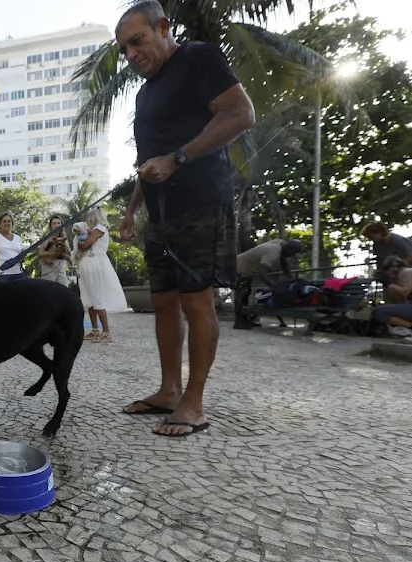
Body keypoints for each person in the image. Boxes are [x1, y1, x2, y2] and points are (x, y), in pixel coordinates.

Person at [115, 0, 255, 435]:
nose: (131, 54)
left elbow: (241, 114)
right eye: (123, 49)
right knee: (163, 303)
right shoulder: (146, 92)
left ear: (163, 27)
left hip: (200, 201)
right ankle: (169, 391)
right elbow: (147, 160)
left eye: (137, 41)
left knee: (198, 300)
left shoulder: (198, 57)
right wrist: (133, 209)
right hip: (160, 212)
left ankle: (194, 403)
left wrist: (178, 158)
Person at [76, 207, 128, 342]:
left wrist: (82, 242)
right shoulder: (92, 230)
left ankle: (106, 332)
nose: (88, 220)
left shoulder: (99, 228)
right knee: (90, 299)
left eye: (89, 217)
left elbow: (85, 244)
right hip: (87, 263)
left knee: (97, 297)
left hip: (95, 263)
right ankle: (94, 330)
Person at [233, 238, 302, 329]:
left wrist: (292, 280)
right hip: (239, 269)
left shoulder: (280, 244)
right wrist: (273, 286)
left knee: (246, 294)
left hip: (242, 266)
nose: (291, 256)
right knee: (242, 295)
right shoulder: (273, 253)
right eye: (292, 253)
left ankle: (245, 319)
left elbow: (284, 263)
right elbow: (262, 272)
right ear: (289, 249)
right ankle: (239, 322)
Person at [372, 256, 412, 337]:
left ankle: (409, 326)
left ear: (392, 269)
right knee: (384, 310)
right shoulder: (401, 276)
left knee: (380, 312)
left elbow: (406, 292)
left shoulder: (406, 272)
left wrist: (389, 284)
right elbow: (400, 301)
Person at [37, 214, 69, 285]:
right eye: (54, 223)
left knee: (64, 289)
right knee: (49, 290)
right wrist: (54, 254)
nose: (56, 225)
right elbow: (40, 253)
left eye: (58, 223)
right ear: (51, 226)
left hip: (60, 266)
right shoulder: (47, 238)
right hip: (48, 266)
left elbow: (68, 253)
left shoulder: (64, 237)